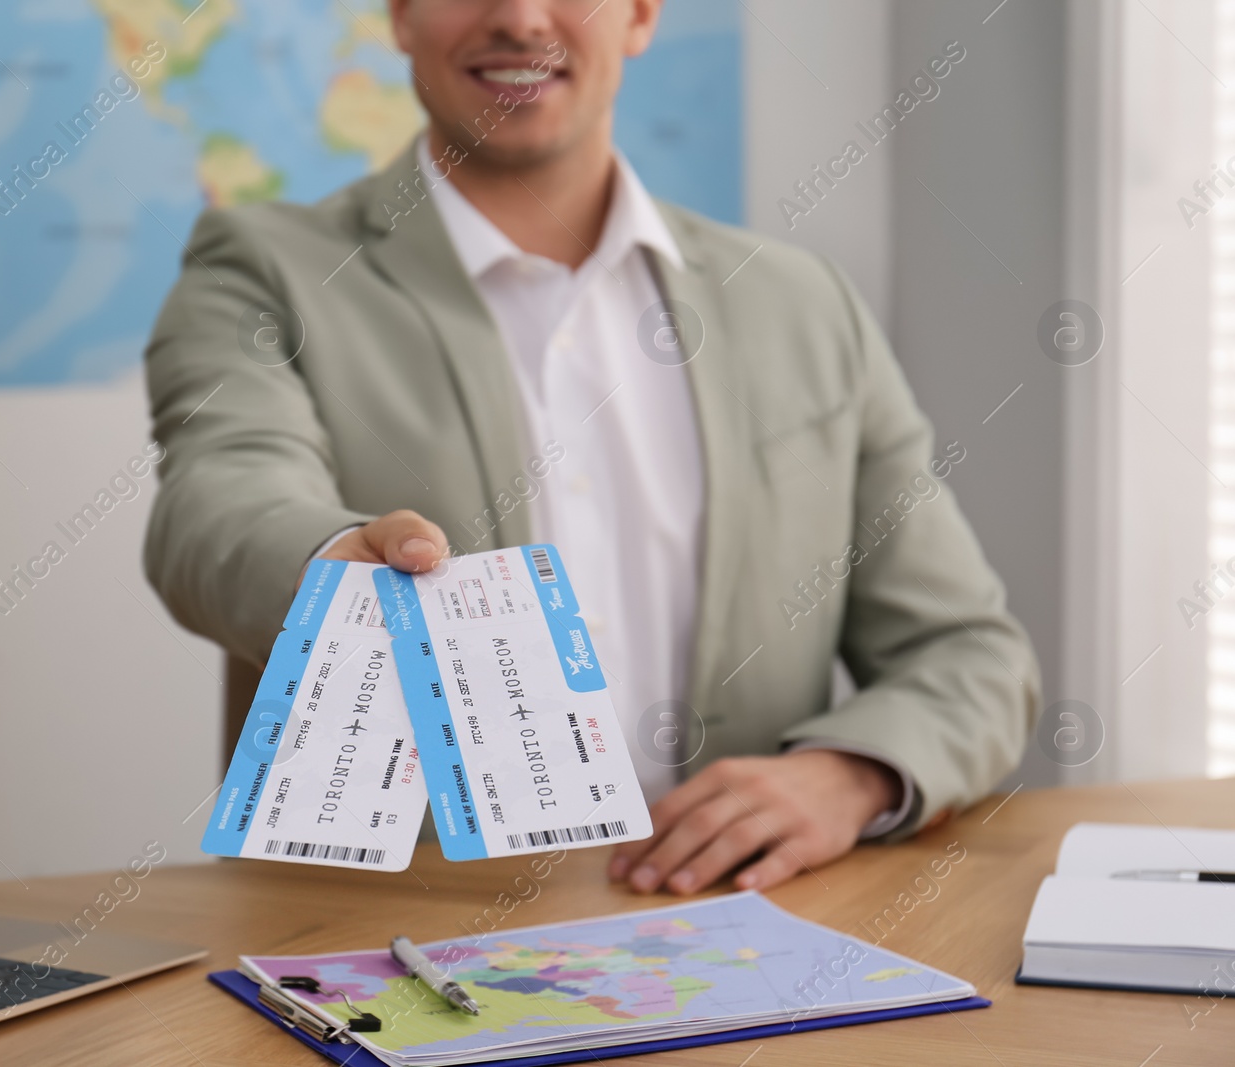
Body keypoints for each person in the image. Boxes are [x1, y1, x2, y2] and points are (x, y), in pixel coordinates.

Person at [142, 0, 1041, 896]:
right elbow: (216, 505)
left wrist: (852, 775)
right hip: (394, 948)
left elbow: (968, 654)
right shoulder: (261, 269)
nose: (524, 20)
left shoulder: (804, 305)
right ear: (402, 14)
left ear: (642, 14)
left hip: (745, 945)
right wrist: (333, 566)